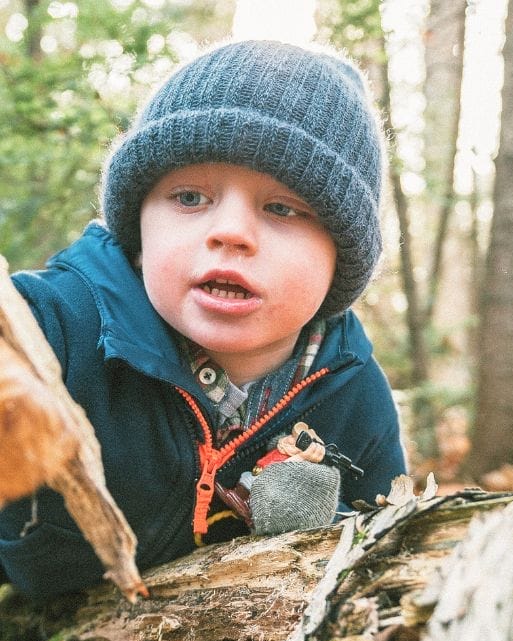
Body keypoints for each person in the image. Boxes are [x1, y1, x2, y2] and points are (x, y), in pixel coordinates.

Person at [0, 39, 407, 602]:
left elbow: (385, 561)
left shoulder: (351, 392)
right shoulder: (47, 328)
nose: (230, 232)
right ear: (138, 230)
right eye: (190, 197)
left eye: (282, 208)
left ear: (341, 259)